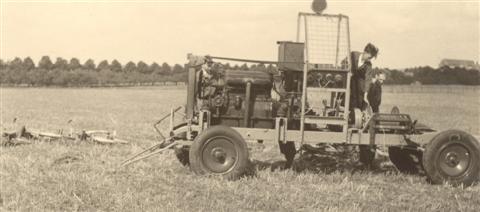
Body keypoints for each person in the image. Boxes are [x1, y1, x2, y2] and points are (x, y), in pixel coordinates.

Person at [349, 43, 379, 111]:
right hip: (349, 79)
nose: (370, 59)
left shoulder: (368, 65)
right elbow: (343, 63)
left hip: (359, 83)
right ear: (365, 52)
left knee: (360, 96)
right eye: (369, 57)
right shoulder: (353, 55)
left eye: (371, 58)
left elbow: (368, 79)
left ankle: (359, 110)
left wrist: (365, 95)